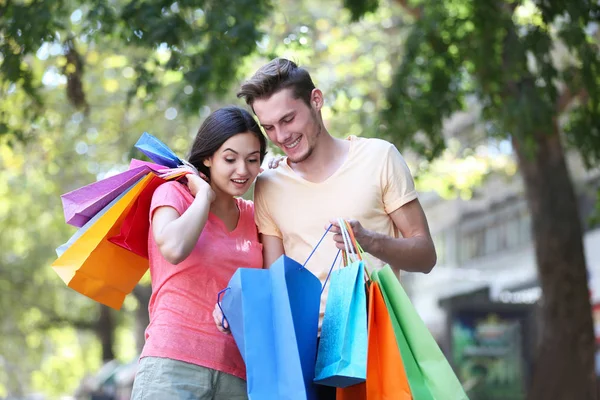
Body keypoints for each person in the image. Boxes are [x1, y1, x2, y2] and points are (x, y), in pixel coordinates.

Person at [220, 58, 438, 400]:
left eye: (288, 119)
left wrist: (368, 240)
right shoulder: (268, 185)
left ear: (316, 100)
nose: (282, 136)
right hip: (304, 353)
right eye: (270, 128)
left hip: (373, 340)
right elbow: (278, 283)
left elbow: (425, 255)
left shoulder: (379, 157)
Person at [130, 106, 267, 400]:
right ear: (208, 157)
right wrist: (204, 196)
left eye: (253, 160)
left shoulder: (257, 217)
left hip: (238, 375)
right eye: (230, 159)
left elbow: (270, 287)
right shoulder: (172, 195)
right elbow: (175, 248)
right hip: (173, 367)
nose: (243, 170)